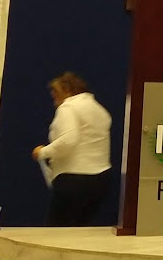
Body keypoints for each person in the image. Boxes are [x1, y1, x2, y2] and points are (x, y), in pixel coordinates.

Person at [31, 72, 113, 226]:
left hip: (72, 181)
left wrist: (42, 152)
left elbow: (69, 140)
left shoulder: (68, 107)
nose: (54, 96)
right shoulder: (100, 110)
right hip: (100, 181)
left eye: (56, 92)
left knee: (56, 232)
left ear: (68, 90)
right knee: (80, 230)